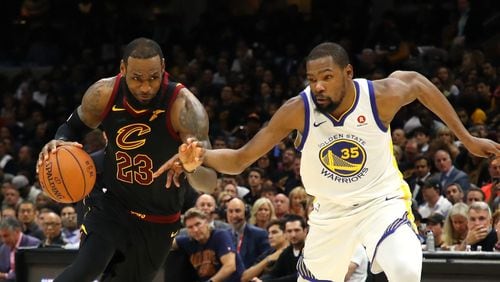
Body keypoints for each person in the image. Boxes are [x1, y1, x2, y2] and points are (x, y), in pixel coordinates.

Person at [157, 42, 500, 281]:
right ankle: (375, 254)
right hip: (329, 214)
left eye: (326, 77)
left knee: (406, 270)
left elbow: (419, 84)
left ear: (347, 73)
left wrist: (467, 139)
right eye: (311, 79)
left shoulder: (378, 96)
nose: (318, 86)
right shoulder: (298, 109)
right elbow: (241, 159)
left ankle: (383, 249)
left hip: (379, 202)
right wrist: (200, 156)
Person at [37, 37, 217, 281]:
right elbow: (71, 128)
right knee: (86, 269)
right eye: (137, 78)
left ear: (163, 67)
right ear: (123, 69)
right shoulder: (103, 93)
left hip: (159, 215)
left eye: (153, 78)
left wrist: (191, 166)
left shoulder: (184, 108)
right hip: (111, 200)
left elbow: (209, 183)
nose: (145, 87)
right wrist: (58, 141)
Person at [174, 208, 244, 282]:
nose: (195, 230)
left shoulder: (220, 236)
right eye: (190, 227)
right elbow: (168, 244)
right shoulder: (188, 242)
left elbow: (230, 266)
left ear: (206, 222)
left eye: (198, 224)